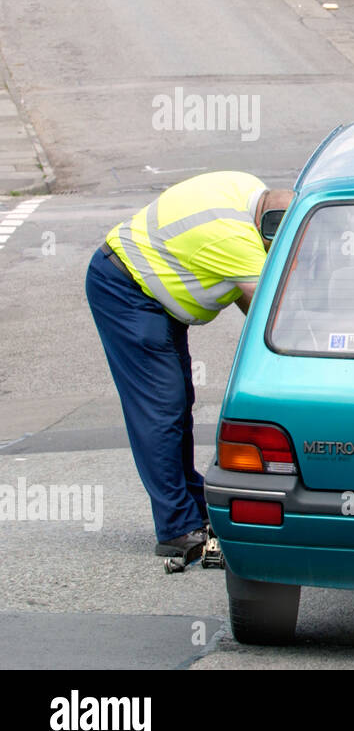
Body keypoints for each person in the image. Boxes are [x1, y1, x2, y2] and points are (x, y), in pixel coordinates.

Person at [85, 172, 294, 558]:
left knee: (178, 402)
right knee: (162, 410)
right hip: (127, 290)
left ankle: (193, 505)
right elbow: (267, 312)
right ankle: (177, 528)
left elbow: (250, 305)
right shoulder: (235, 239)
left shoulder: (248, 190)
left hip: (149, 289)